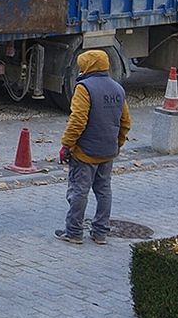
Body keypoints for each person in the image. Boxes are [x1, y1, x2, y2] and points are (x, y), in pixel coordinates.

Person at [55, 49, 131, 245]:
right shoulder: (117, 89)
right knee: (104, 191)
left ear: (88, 67)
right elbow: (125, 122)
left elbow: (77, 121)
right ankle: (100, 233)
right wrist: (117, 144)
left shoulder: (84, 88)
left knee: (79, 191)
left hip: (85, 152)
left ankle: (73, 232)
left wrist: (66, 144)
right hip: (108, 151)